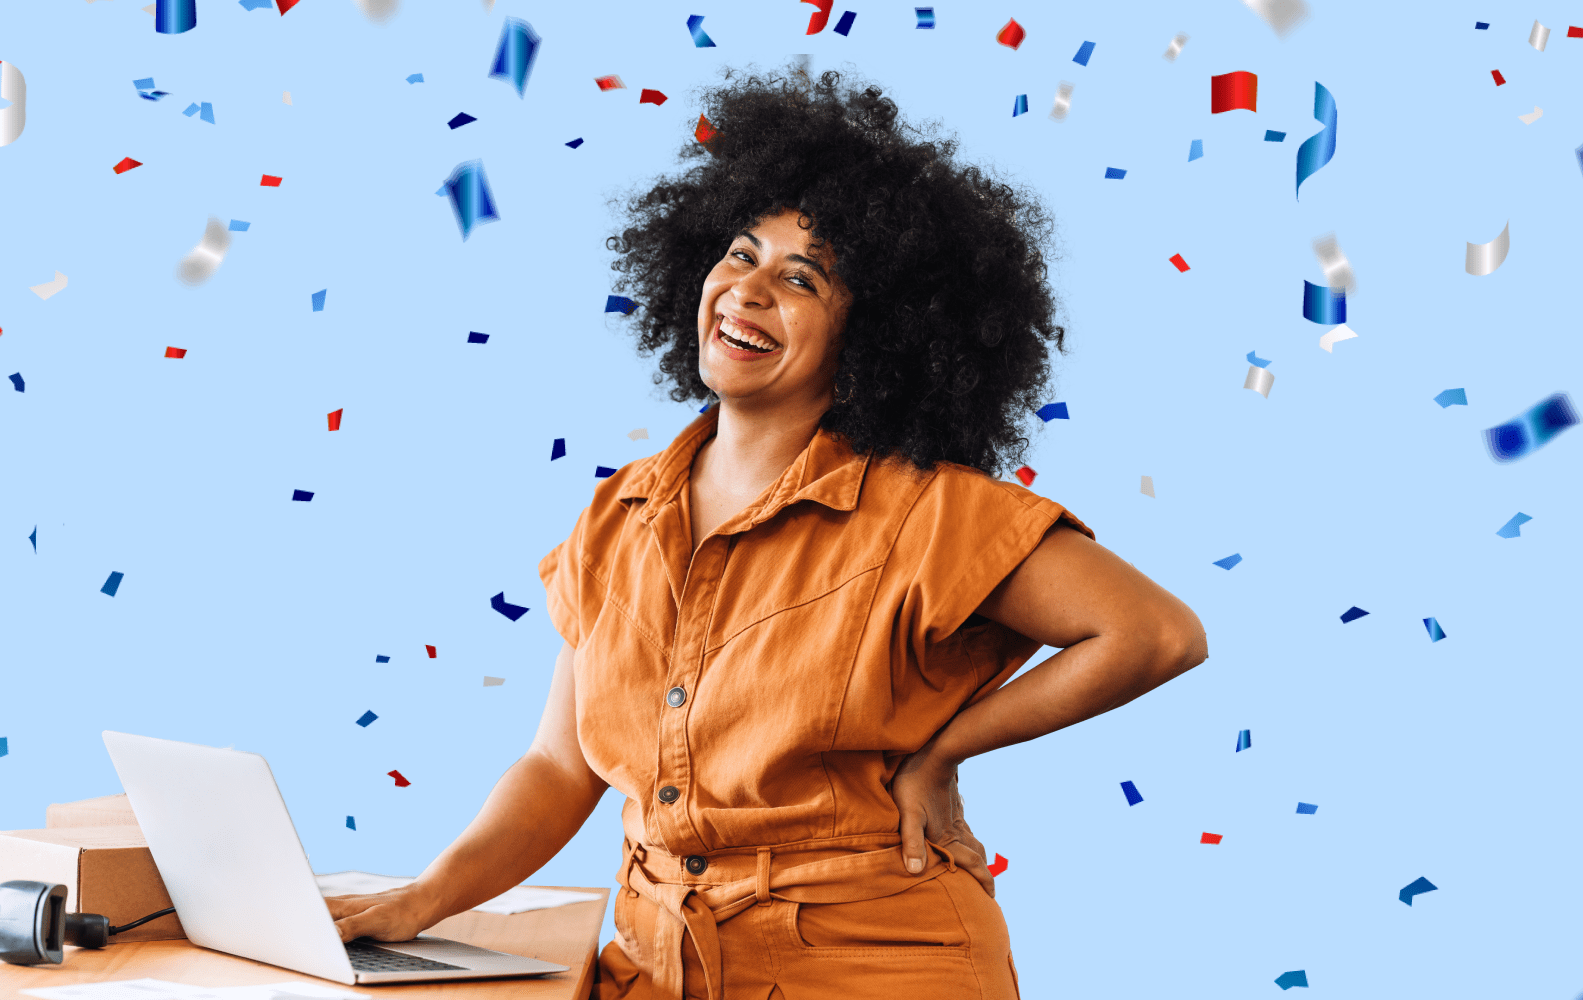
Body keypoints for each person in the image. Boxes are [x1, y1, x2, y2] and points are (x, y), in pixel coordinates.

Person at [326, 67, 1208, 999]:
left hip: (873, 964)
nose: (747, 291)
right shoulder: (617, 515)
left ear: (872, 338)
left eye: (801, 279)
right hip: (654, 963)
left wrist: (947, 749)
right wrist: (420, 903)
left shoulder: (928, 512)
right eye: (741, 255)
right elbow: (558, 767)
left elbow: (1154, 634)